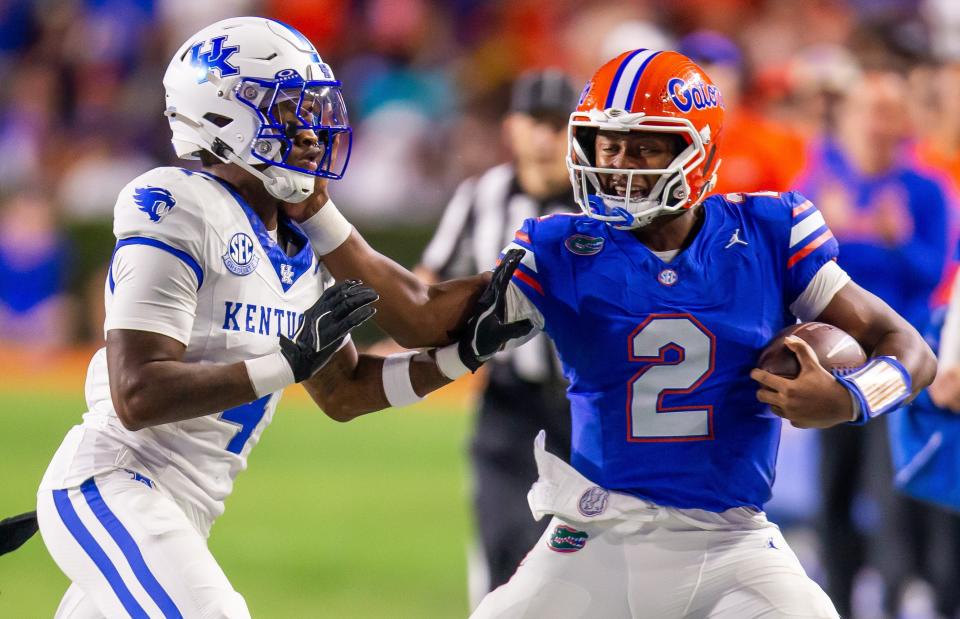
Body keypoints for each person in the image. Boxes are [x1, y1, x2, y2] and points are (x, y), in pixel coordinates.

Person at [306, 49, 937, 618]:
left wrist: (852, 396)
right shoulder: (564, 248)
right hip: (596, 537)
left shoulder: (768, 234)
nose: (619, 166)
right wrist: (316, 209)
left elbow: (911, 350)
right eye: (607, 146)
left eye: (644, 148)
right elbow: (423, 317)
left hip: (734, 542)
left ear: (700, 152)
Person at [33, 17, 512, 618]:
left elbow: (344, 391)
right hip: (115, 483)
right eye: (290, 110)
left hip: (185, 508)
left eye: (315, 109)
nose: (313, 131)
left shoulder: (298, 240)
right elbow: (138, 392)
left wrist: (460, 355)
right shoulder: (174, 201)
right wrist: (283, 363)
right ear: (220, 112)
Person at [416, 68, 576, 601]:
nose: (547, 137)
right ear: (513, 127)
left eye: (559, 124)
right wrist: (405, 336)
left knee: (589, 551)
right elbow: (429, 280)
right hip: (509, 401)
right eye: (537, 122)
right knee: (504, 540)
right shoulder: (482, 195)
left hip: (586, 403)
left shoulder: (599, 204)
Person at [796, 69, 951, 617]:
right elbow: (801, 276)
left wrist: (887, 240)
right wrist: (859, 239)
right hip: (830, 361)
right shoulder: (817, 183)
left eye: (889, 111)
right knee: (832, 491)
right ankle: (834, 603)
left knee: (889, 496)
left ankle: (888, 603)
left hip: (894, 366)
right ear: (847, 118)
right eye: (869, 109)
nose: (877, 123)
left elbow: (932, 273)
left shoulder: (927, 190)